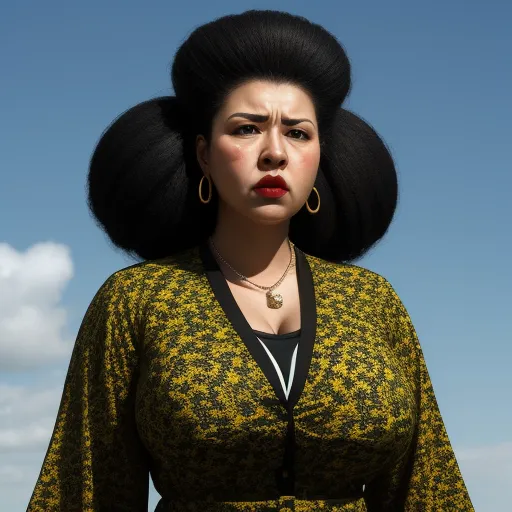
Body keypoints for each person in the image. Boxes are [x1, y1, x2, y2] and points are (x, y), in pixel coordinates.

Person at [27, 9, 474, 512]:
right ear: (203, 154)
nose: (274, 152)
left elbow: (425, 485)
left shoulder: (372, 301)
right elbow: (87, 486)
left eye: (298, 133)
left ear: (321, 155)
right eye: (246, 129)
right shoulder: (137, 300)